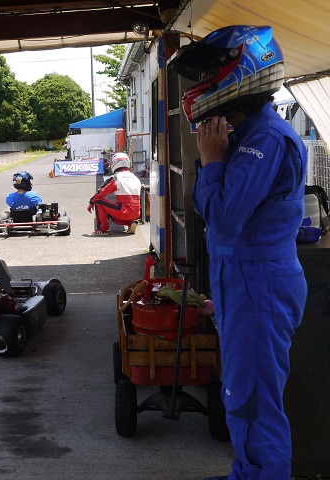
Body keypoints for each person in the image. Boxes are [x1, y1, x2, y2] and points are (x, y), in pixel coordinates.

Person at [170, 25, 307, 480]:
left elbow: (225, 217)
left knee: (255, 400)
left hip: (259, 284)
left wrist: (211, 164)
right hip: (246, 284)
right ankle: (247, 472)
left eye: (210, 72)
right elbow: (217, 214)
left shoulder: (264, 138)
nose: (202, 84)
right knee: (240, 394)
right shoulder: (245, 135)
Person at [87, 153, 141, 235]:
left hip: (124, 212)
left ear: (114, 163)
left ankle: (102, 229)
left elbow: (100, 193)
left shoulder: (116, 178)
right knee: (114, 210)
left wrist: (91, 202)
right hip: (137, 213)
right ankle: (130, 222)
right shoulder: (135, 178)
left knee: (98, 201)